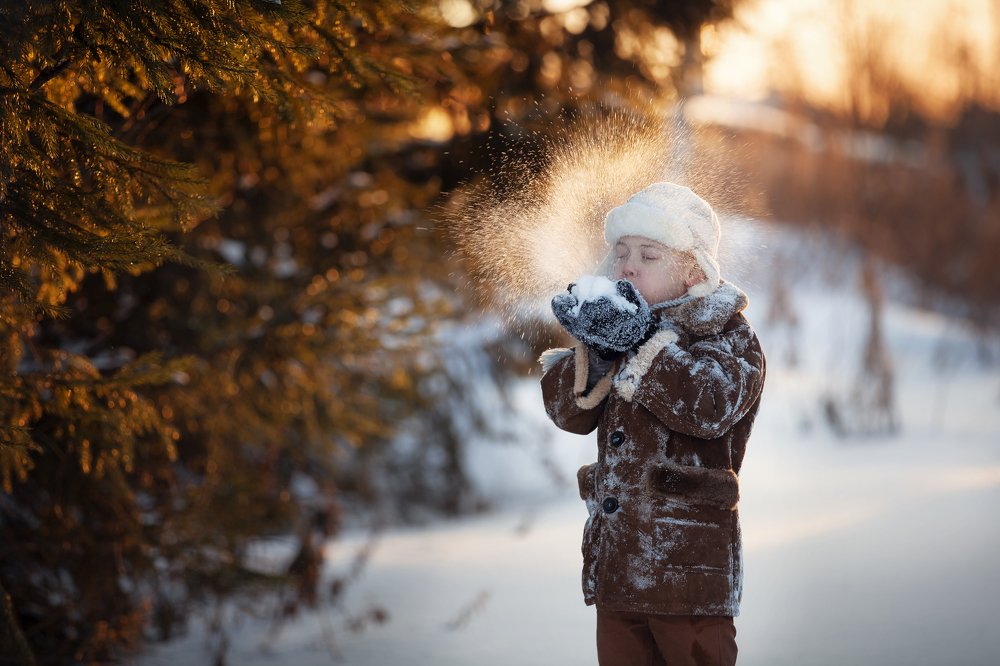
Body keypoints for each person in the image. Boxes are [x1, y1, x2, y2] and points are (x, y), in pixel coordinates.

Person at [540, 182, 765, 666]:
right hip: (620, 567)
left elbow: (710, 405)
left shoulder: (726, 333)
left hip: (688, 572)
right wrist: (595, 347)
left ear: (692, 269)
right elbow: (566, 411)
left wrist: (643, 340)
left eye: (649, 254)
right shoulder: (620, 331)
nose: (628, 264)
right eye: (621, 251)